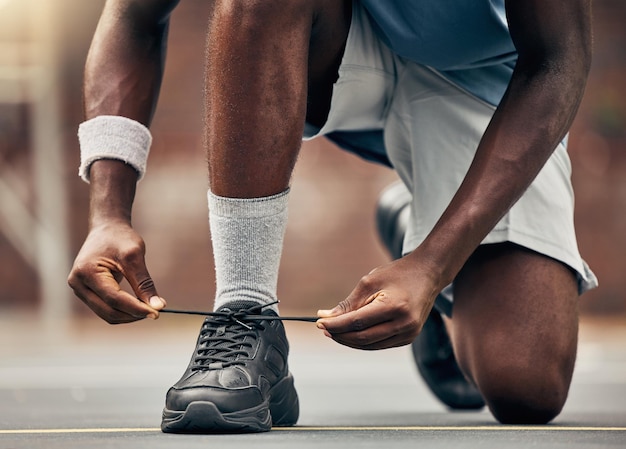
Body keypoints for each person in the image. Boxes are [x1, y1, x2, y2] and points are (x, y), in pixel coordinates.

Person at [68, 0, 597, 433]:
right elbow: (133, 17)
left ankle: (420, 235)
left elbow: (557, 59)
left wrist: (434, 264)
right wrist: (107, 214)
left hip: (487, 71)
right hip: (332, 39)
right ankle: (244, 315)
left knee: (525, 386)